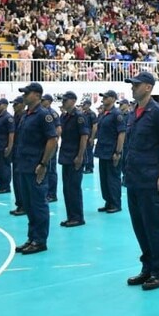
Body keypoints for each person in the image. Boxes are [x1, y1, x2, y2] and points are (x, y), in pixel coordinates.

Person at [122, 71, 159, 291]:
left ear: (147, 87)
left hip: (150, 179)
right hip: (134, 179)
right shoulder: (133, 113)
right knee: (140, 226)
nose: (132, 88)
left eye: (136, 85)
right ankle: (147, 268)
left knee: (154, 226)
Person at [13, 82, 59, 255]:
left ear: (38, 95)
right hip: (24, 165)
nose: (24, 95)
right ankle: (32, 238)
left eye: (27, 93)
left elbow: (52, 140)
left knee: (38, 204)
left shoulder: (43, 115)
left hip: (36, 166)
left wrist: (43, 164)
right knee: (29, 205)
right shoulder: (26, 115)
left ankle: (40, 240)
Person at [58, 91, 90, 228]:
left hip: (75, 156)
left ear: (73, 101)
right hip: (66, 156)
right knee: (67, 188)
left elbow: (84, 136)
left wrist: (80, 156)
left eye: (65, 100)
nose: (63, 102)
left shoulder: (79, 117)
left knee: (74, 188)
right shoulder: (65, 117)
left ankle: (77, 217)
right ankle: (71, 216)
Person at [93, 90, 126, 214]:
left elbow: (121, 133)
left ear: (113, 99)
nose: (104, 99)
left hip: (112, 151)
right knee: (104, 179)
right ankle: (108, 201)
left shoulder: (116, 114)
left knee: (113, 178)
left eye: (106, 97)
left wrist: (118, 152)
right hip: (103, 150)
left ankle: (115, 203)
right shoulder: (103, 113)